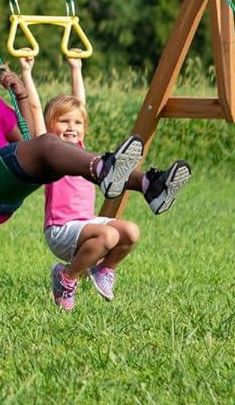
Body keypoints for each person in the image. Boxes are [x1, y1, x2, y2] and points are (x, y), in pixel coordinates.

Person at [0, 18, 188, 224]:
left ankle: (149, 186)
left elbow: (24, 143)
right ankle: (108, 169)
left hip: (9, 185)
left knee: (59, 155)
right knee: (50, 144)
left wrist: (20, 96)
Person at [23, 57, 185, 312]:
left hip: (86, 223)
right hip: (61, 229)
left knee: (131, 232)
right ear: (50, 126)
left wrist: (76, 68)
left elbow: (81, 105)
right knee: (109, 235)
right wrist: (26, 72)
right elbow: (34, 109)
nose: (71, 127)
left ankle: (104, 270)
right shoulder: (50, 154)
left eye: (77, 123)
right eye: (63, 121)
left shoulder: (82, 153)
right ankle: (66, 278)